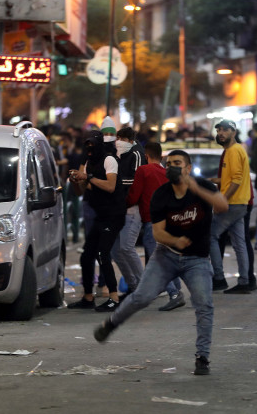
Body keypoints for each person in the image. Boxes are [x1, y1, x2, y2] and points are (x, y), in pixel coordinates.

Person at [93, 150, 228, 376]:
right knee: (142, 297)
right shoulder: (161, 195)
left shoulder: (203, 186)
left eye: (178, 163)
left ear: (188, 168)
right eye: (169, 164)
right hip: (166, 256)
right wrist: (176, 240)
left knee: (204, 304)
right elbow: (158, 233)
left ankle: (202, 357)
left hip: (197, 259)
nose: (172, 167)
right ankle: (112, 324)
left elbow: (222, 206)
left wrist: (194, 188)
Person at [67, 131, 126, 312]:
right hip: (100, 214)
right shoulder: (88, 163)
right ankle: (88, 297)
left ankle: (114, 298)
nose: (90, 149)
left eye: (93, 144)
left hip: (114, 214)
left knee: (103, 254)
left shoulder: (109, 160)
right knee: (87, 256)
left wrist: (89, 177)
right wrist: (76, 181)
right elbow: (82, 191)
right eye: (88, 145)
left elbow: (110, 186)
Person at [127, 142, 185, 311]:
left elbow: (133, 196)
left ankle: (174, 293)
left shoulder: (143, 171)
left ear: (146, 156)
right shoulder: (167, 173)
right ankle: (176, 287)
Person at [209, 119, 253, 294]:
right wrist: (213, 180)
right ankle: (244, 281)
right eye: (219, 130)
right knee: (239, 243)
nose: (220, 133)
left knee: (211, 235)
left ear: (233, 133)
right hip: (240, 203)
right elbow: (231, 178)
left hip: (233, 203)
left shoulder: (234, 151)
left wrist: (222, 200)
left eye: (225, 130)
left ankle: (218, 278)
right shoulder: (233, 150)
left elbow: (236, 180)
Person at [111, 127, 148, 298]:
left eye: (122, 138)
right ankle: (133, 286)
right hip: (120, 207)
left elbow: (137, 180)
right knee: (116, 250)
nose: (119, 141)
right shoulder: (120, 153)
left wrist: (115, 182)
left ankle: (143, 287)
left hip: (133, 208)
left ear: (130, 140)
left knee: (126, 247)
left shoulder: (137, 154)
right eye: (117, 138)